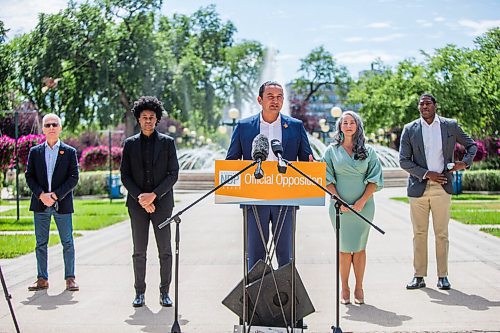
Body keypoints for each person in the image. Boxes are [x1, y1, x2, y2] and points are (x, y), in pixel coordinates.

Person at [226, 81, 313, 270]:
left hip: (286, 198)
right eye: (270, 97)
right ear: (260, 99)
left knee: (286, 255)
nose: (276, 101)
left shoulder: (296, 126)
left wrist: (313, 166)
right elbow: (231, 162)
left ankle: (285, 298)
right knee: (256, 256)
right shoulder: (243, 126)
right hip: (255, 199)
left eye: (279, 97)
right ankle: (254, 298)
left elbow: (307, 160)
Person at [399, 93, 477, 291]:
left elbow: (471, 146)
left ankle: (443, 276)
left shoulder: (450, 126)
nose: (424, 106)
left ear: (435, 105)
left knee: (441, 233)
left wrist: (463, 164)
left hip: (443, 186)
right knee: (419, 233)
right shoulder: (409, 129)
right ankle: (418, 276)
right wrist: (426, 174)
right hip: (418, 187)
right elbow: (404, 161)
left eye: (428, 103)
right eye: (421, 104)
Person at [120, 96, 179, 307]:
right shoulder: (129, 144)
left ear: (157, 119)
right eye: (144, 117)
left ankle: (165, 293)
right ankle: (139, 293)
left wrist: (153, 195)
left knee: (165, 250)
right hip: (136, 206)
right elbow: (125, 175)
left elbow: (173, 174)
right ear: (138, 119)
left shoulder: (167, 143)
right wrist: (141, 198)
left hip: (162, 204)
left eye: (151, 117)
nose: (148, 120)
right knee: (139, 251)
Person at [321, 111, 383, 305]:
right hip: (339, 207)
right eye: (345, 122)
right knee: (344, 249)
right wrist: (338, 200)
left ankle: (359, 287)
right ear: (340, 126)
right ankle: (345, 287)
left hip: (364, 206)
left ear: (357, 126)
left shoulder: (369, 151)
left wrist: (362, 201)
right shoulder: (331, 151)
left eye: (352, 122)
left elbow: (374, 179)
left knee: (360, 248)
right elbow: (326, 178)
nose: (348, 125)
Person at [25, 113, 79, 292]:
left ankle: (70, 278)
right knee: (41, 243)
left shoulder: (69, 152)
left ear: (60, 128)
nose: (51, 128)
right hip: (40, 204)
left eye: (54, 124)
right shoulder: (35, 152)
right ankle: (42, 279)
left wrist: (55, 195)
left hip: (62, 204)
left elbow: (73, 178)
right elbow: (29, 176)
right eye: (47, 125)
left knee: (67, 242)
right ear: (43, 129)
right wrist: (41, 195)